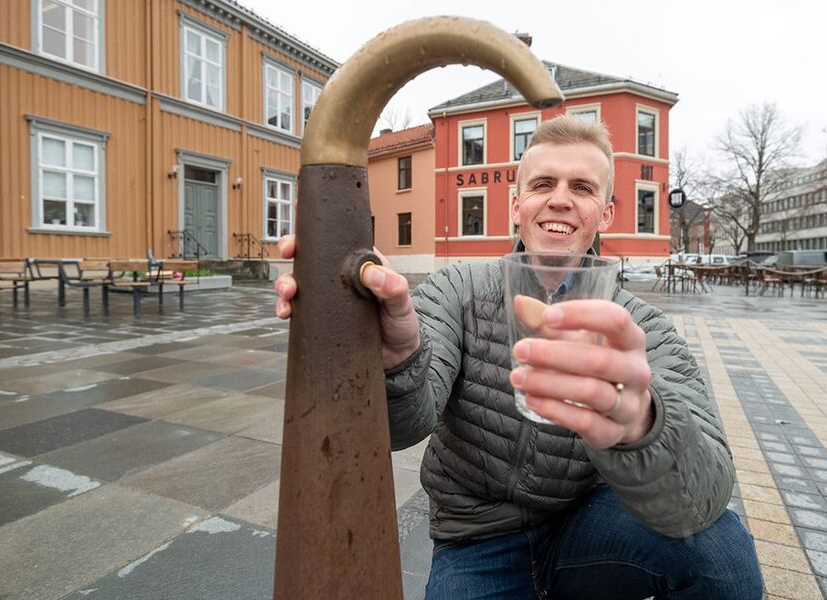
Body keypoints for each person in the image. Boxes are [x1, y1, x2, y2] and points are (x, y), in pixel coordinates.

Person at [275, 115, 762, 599]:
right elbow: (403, 428)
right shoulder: (457, 289)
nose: (560, 199)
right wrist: (394, 356)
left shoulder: (642, 328)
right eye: (543, 184)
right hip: (476, 539)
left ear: (606, 214)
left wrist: (644, 426)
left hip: (586, 530)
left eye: (583, 188)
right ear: (516, 205)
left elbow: (705, 496)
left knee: (721, 555)